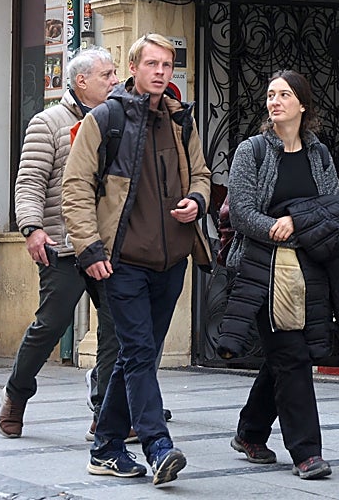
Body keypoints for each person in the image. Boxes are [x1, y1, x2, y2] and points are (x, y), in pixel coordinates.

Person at [63, 33, 212, 485]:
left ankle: (106, 447)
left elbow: (203, 174)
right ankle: (157, 444)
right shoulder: (106, 119)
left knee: (136, 356)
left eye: (167, 65)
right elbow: (75, 187)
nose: (161, 72)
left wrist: (197, 201)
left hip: (171, 261)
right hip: (121, 260)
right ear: (134, 68)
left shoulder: (181, 121)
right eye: (152, 64)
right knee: (141, 352)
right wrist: (89, 249)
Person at [225, 69, 339, 481]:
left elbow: (336, 210)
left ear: (303, 105)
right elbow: (241, 210)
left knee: (285, 357)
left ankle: (250, 431)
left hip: (309, 269)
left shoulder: (318, 154)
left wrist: (295, 221)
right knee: (291, 357)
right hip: (262, 270)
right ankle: (306, 452)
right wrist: (275, 227)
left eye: (284, 94)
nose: (275, 101)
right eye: (270, 95)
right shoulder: (253, 151)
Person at [0, 47, 125, 440]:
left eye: (115, 73)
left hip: (106, 246)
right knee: (51, 325)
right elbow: (30, 182)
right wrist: (32, 228)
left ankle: (104, 411)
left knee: (115, 330)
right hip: (61, 245)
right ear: (81, 81)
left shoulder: (117, 121)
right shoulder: (47, 123)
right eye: (107, 74)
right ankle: (17, 395)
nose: (115, 80)